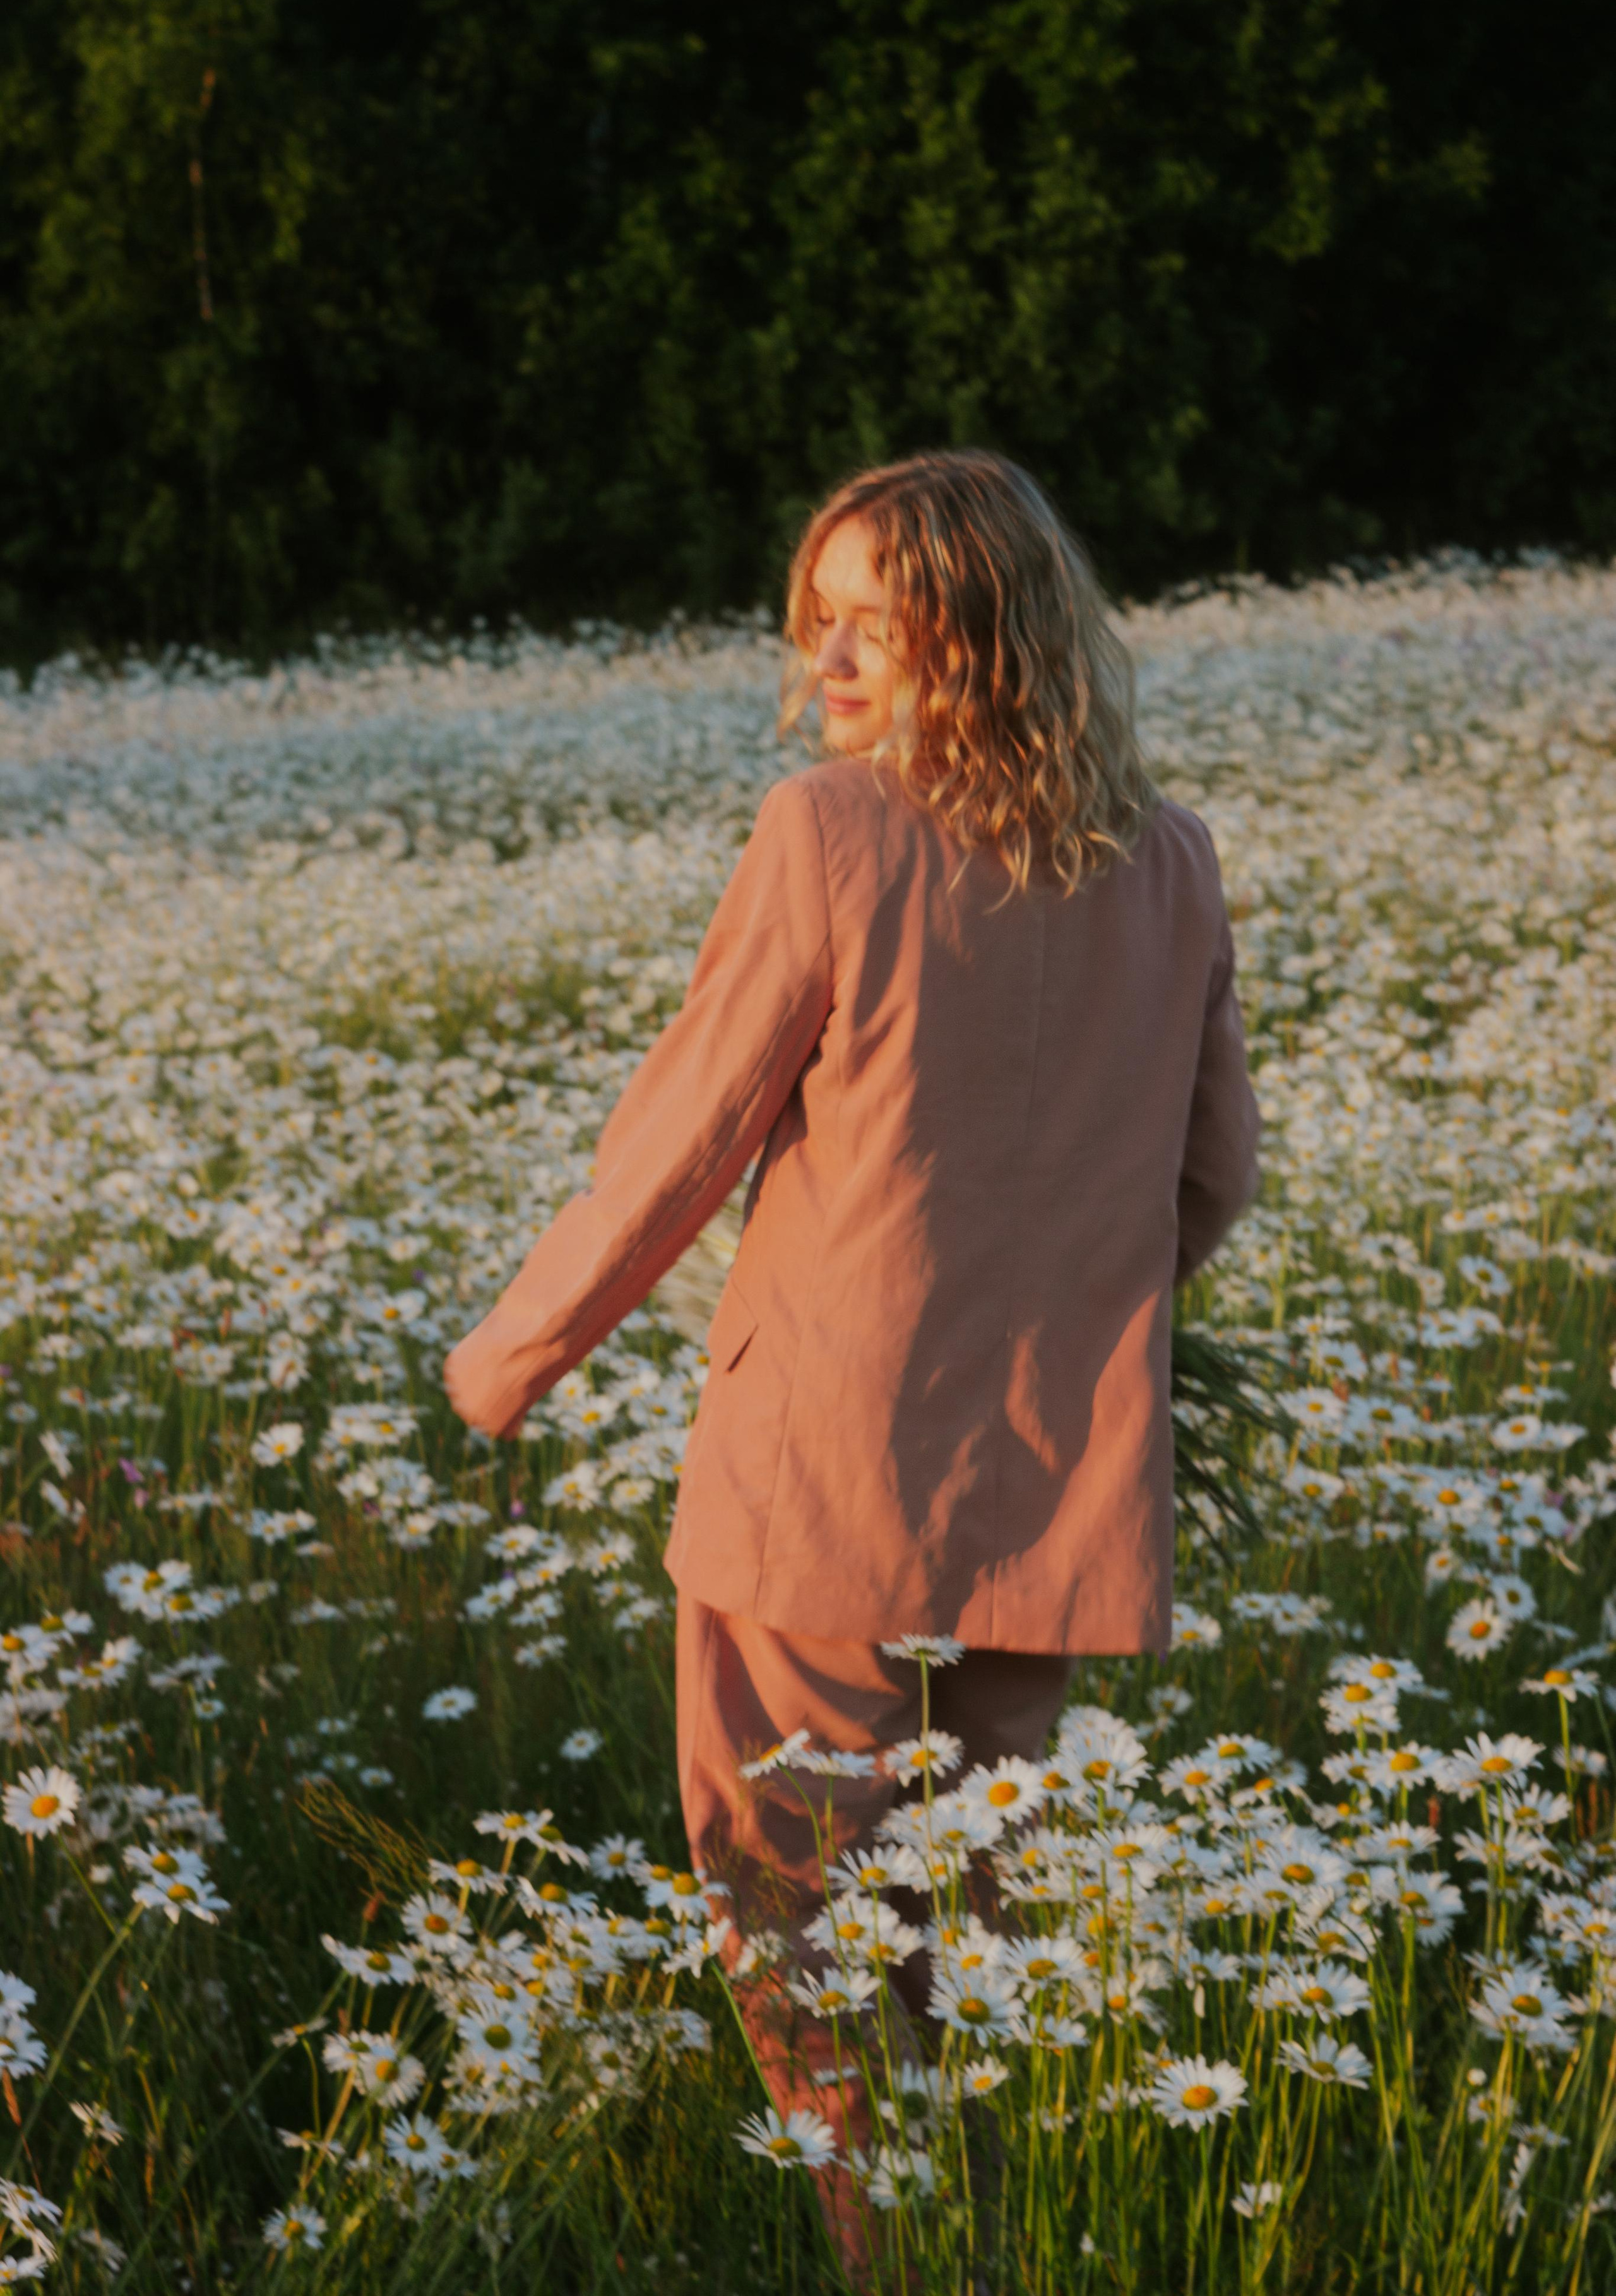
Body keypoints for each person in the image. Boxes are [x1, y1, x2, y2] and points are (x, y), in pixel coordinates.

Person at [444, 448, 1261, 2276]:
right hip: (1053, 1486)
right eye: (817, 624)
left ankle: (887, 2264)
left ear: (973, 636)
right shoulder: (1170, 858)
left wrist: (509, 1362)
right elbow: (1212, 1181)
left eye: (868, 628)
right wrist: (1072, 1318)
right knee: (970, 1939)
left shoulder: (833, 831)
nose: (826, 665)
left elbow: (680, 1145)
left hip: (816, 1485)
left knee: (795, 1907)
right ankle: (984, 2247)